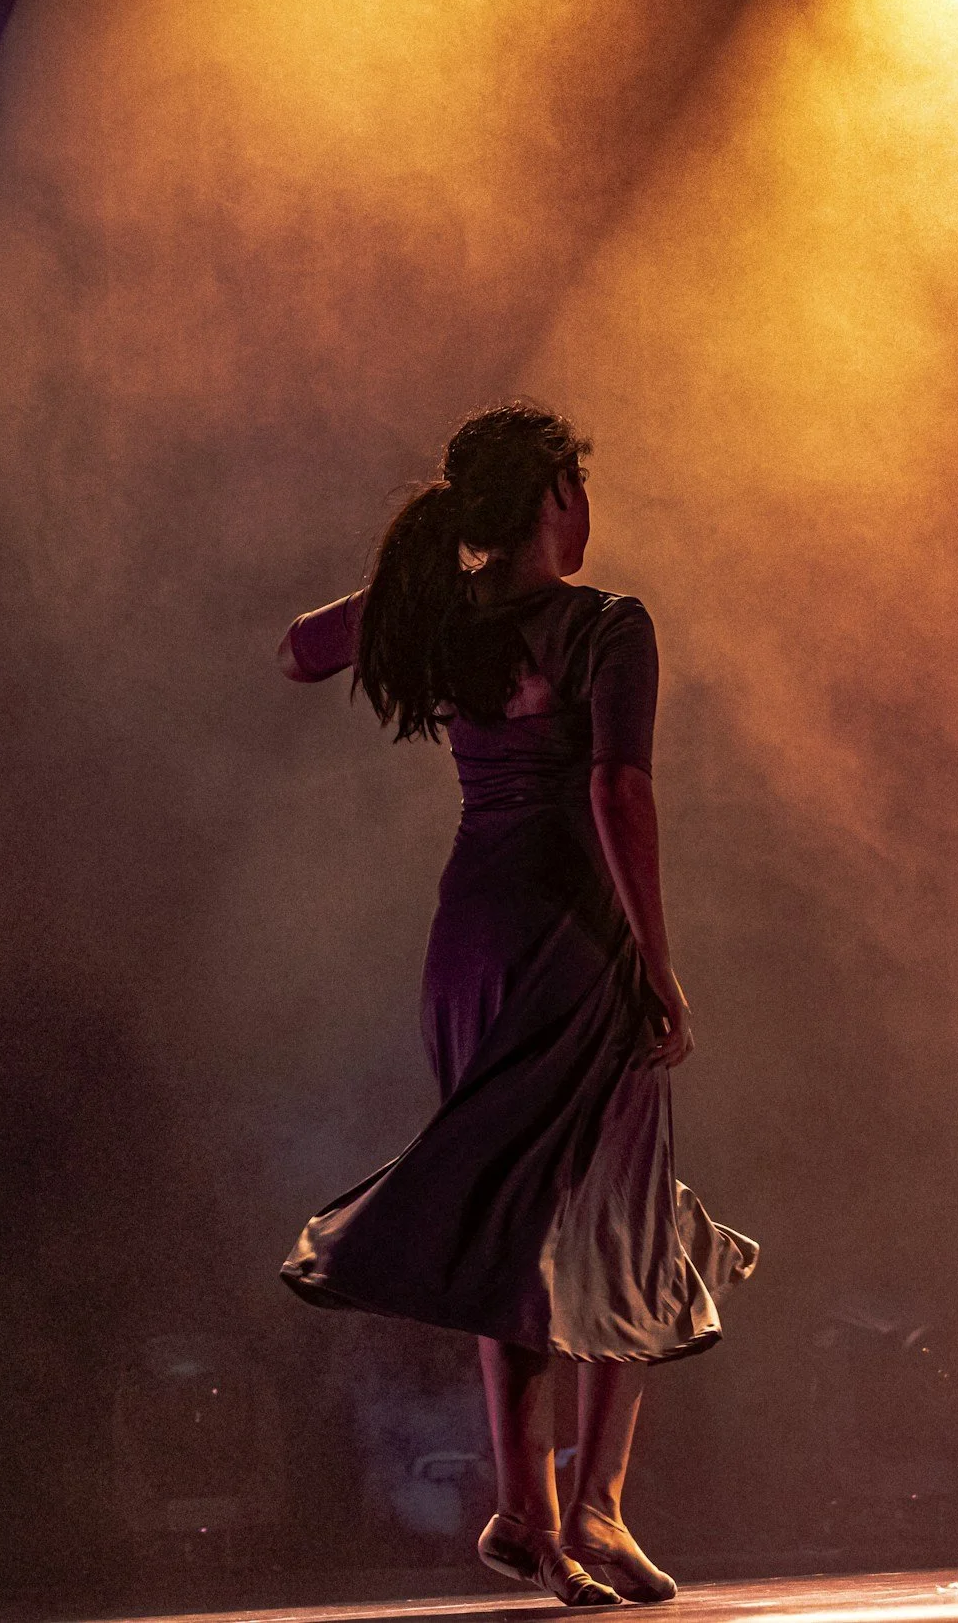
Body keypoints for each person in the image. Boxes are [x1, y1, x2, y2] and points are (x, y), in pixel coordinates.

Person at [276, 402, 755, 1607]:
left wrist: (425, 574)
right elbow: (616, 791)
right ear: (554, 497)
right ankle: (588, 1503)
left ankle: (525, 1510)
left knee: (508, 1203)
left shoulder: (452, 617)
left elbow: (298, 647)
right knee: (621, 1210)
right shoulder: (605, 624)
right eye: (575, 489)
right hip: (573, 939)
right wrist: (655, 960)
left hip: (469, 940)